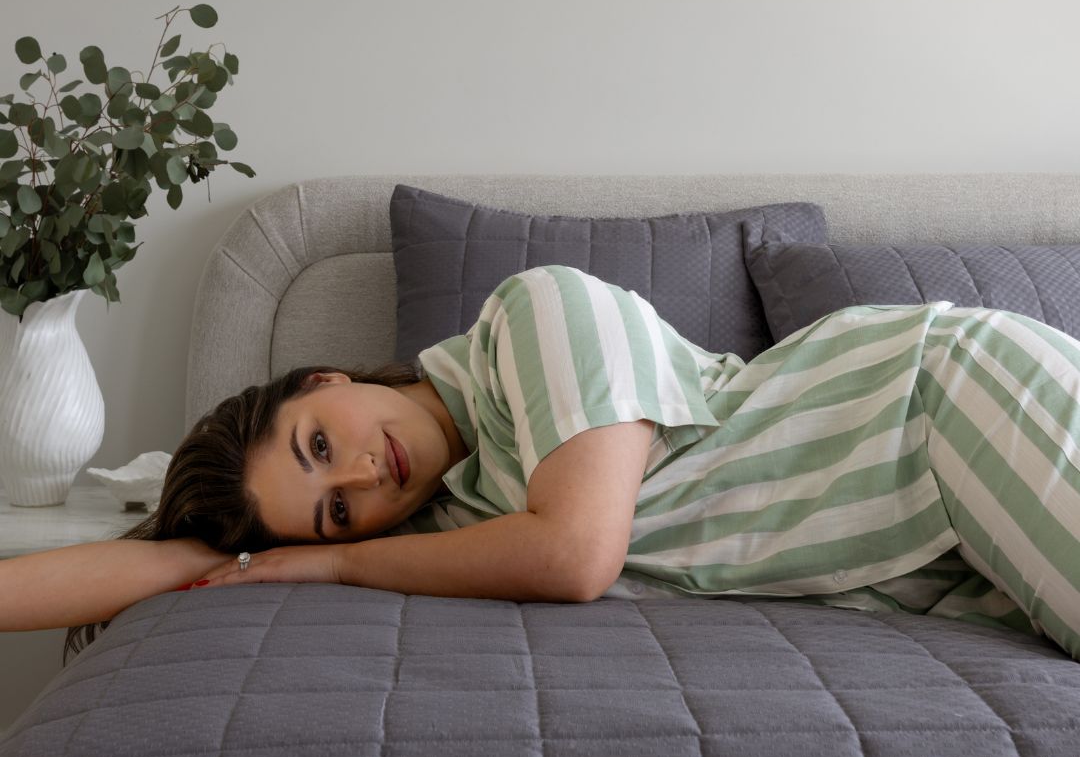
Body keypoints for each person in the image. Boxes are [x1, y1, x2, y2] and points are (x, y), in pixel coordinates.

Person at [5, 265, 1080, 666]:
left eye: (319, 444)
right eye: (334, 515)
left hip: (936, 409)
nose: (361, 483)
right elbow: (153, 561)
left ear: (323, 375)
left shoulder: (538, 312)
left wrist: (331, 566)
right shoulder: (447, 528)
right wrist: (250, 558)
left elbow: (576, 554)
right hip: (923, 558)